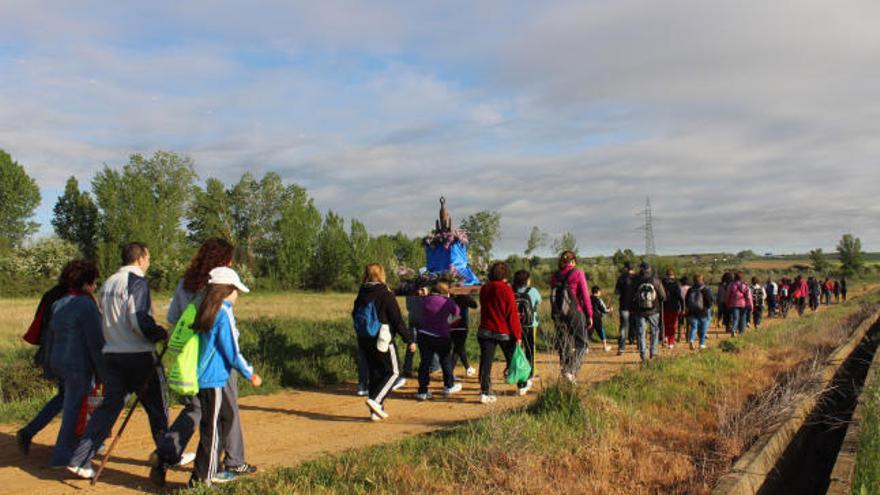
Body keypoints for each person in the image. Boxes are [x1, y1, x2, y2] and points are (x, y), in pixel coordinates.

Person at [151, 238, 256, 487]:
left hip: (189, 358)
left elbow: (173, 317)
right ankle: (232, 460)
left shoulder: (185, 283)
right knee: (226, 411)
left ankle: (165, 452)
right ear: (225, 262)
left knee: (196, 409)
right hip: (215, 358)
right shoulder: (219, 287)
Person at [67, 243, 169, 479]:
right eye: (149, 256)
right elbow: (139, 321)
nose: (149, 261)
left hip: (112, 353)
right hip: (139, 355)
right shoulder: (137, 282)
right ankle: (167, 453)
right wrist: (160, 333)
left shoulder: (108, 283)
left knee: (108, 408)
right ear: (141, 258)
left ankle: (80, 458)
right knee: (157, 407)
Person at [190, 267, 262, 486]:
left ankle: (209, 473)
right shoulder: (224, 312)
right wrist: (250, 373)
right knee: (211, 432)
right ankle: (202, 480)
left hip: (205, 377)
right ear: (227, 290)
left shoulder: (206, 308)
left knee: (216, 426)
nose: (238, 295)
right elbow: (231, 350)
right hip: (214, 380)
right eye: (236, 290)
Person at [30, 261, 106, 468]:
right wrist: (102, 370)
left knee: (74, 408)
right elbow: (95, 341)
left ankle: (72, 452)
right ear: (87, 283)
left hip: (59, 362)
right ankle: (65, 456)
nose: (95, 286)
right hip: (78, 366)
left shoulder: (60, 302)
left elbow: (50, 336)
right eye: (94, 282)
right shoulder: (86, 305)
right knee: (77, 411)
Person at [17, 263, 75, 455]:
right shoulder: (73, 298)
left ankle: (30, 431)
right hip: (69, 354)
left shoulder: (50, 295)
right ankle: (66, 447)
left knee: (64, 396)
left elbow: (39, 324)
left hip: (51, 353)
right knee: (73, 398)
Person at [352, 264, 415, 420]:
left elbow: (354, 314)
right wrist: (409, 340)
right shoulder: (385, 293)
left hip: (364, 338)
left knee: (375, 373)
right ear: (381, 274)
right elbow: (397, 319)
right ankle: (376, 400)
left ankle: (375, 412)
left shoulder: (362, 292)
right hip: (382, 338)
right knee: (394, 372)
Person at [478, 262, 528, 402]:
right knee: (513, 359)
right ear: (506, 274)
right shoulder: (506, 289)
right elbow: (512, 314)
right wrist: (517, 334)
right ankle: (522, 385)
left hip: (485, 330)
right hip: (503, 331)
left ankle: (485, 392)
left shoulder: (485, 288)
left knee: (485, 363)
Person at [549, 251, 593, 382]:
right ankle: (571, 370)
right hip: (575, 312)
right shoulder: (577, 273)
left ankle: (565, 372)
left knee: (564, 343)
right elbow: (585, 295)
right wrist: (589, 314)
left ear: (561, 262)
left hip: (558, 314)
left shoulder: (554, 276)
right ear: (573, 261)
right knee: (582, 343)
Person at [415, 281, 462, 400]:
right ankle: (448, 386)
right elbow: (457, 315)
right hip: (442, 335)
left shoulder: (425, 300)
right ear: (445, 292)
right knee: (445, 360)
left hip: (424, 334)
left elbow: (417, 316)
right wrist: (448, 324)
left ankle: (422, 391)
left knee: (425, 363)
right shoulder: (448, 302)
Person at [632, 262, 666, 363]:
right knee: (655, 330)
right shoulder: (656, 280)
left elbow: (631, 295)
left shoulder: (636, 280)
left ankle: (643, 355)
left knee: (641, 332)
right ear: (650, 270)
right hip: (654, 311)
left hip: (639, 311)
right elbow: (663, 296)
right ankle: (653, 352)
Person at [513, 270, 541, 377]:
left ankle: (516, 369)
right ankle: (531, 371)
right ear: (526, 280)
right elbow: (539, 301)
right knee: (530, 348)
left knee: (517, 348)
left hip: (515, 324)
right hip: (531, 323)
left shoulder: (512, 290)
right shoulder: (532, 290)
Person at [449, 293, 477, 378]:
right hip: (461, 327)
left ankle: (467, 367)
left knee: (459, 348)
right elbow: (474, 305)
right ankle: (449, 373)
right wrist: (468, 296)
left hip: (451, 325)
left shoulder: (449, 298)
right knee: (457, 349)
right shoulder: (464, 298)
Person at [685, 274, 715, 350]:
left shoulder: (690, 289)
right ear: (702, 280)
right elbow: (709, 300)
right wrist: (707, 307)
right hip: (703, 311)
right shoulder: (705, 289)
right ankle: (701, 343)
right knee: (703, 327)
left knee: (694, 327)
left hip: (692, 311)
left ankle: (691, 340)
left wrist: (688, 308)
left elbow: (686, 300)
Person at [614, 262, 637, 353]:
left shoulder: (622, 278)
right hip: (635, 306)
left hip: (624, 305)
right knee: (636, 325)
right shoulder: (638, 277)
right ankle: (637, 344)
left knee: (623, 327)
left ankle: (621, 348)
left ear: (626, 268)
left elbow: (616, 292)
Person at [661, 269, 682, 349]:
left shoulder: (662, 284)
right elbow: (680, 297)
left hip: (664, 307)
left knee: (666, 324)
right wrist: (682, 307)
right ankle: (671, 342)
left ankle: (665, 337)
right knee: (672, 325)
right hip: (674, 307)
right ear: (673, 275)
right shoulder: (676, 284)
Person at [726, 272, 752, 337]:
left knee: (735, 318)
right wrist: (750, 305)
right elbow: (748, 296)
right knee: (743, 318)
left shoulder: (731, 285)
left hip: (733, 304)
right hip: (744, 304)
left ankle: (734, 330)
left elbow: (728, 295)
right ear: (742, 278)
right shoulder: (745, 285)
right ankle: (741, 333)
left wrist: (727, 303)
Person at [589, 287, 612, 352]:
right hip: (597, 318)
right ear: (598, 292)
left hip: (589, 317)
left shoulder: (588, 298)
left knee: (588, 332)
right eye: (600, 291)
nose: (600, 293)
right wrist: (610, 310)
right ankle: (605, 347)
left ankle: (585, 347)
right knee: (601, 331)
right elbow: (604, 310)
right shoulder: (599, 299)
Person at [678, 276, 691, 342]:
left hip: (680, 308)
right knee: (688, 324)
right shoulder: (690, 288)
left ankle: (679, 337)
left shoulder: (679, 288)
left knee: (680, 323)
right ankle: (687, 338)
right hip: (689, 308)